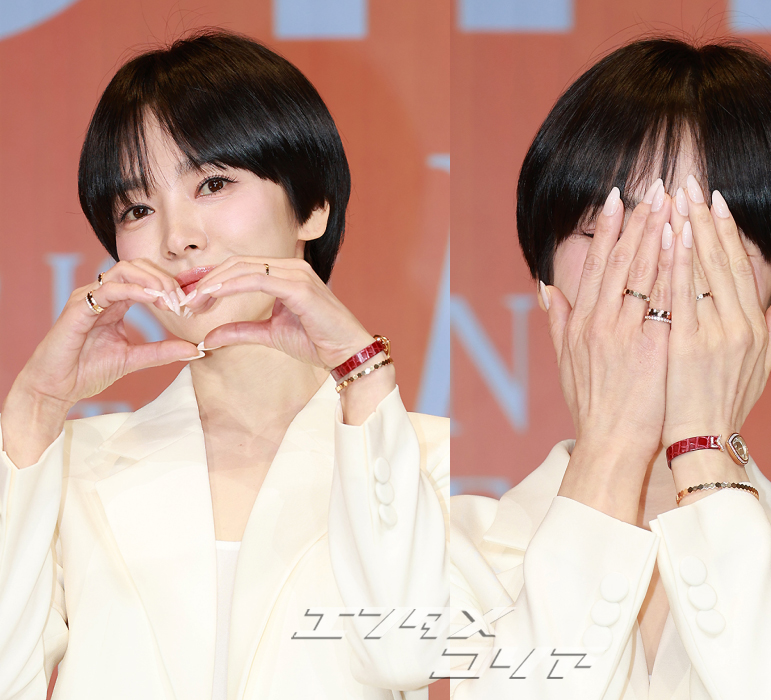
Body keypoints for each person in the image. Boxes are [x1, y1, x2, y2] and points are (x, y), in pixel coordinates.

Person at [0, 31, 449, 700]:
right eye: (139, 209)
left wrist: (363, 374)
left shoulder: (426, 458)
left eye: (212, 184)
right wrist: (34, 409)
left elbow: (407, 657)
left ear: (312, 206)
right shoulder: (70, 468)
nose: (178, 238)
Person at [448, 37, 771, 698]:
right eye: (609, 227)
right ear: (547, 286)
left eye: (707, 232)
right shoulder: (439, 550)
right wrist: (610, 452)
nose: (657, 271)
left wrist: (703, 451)